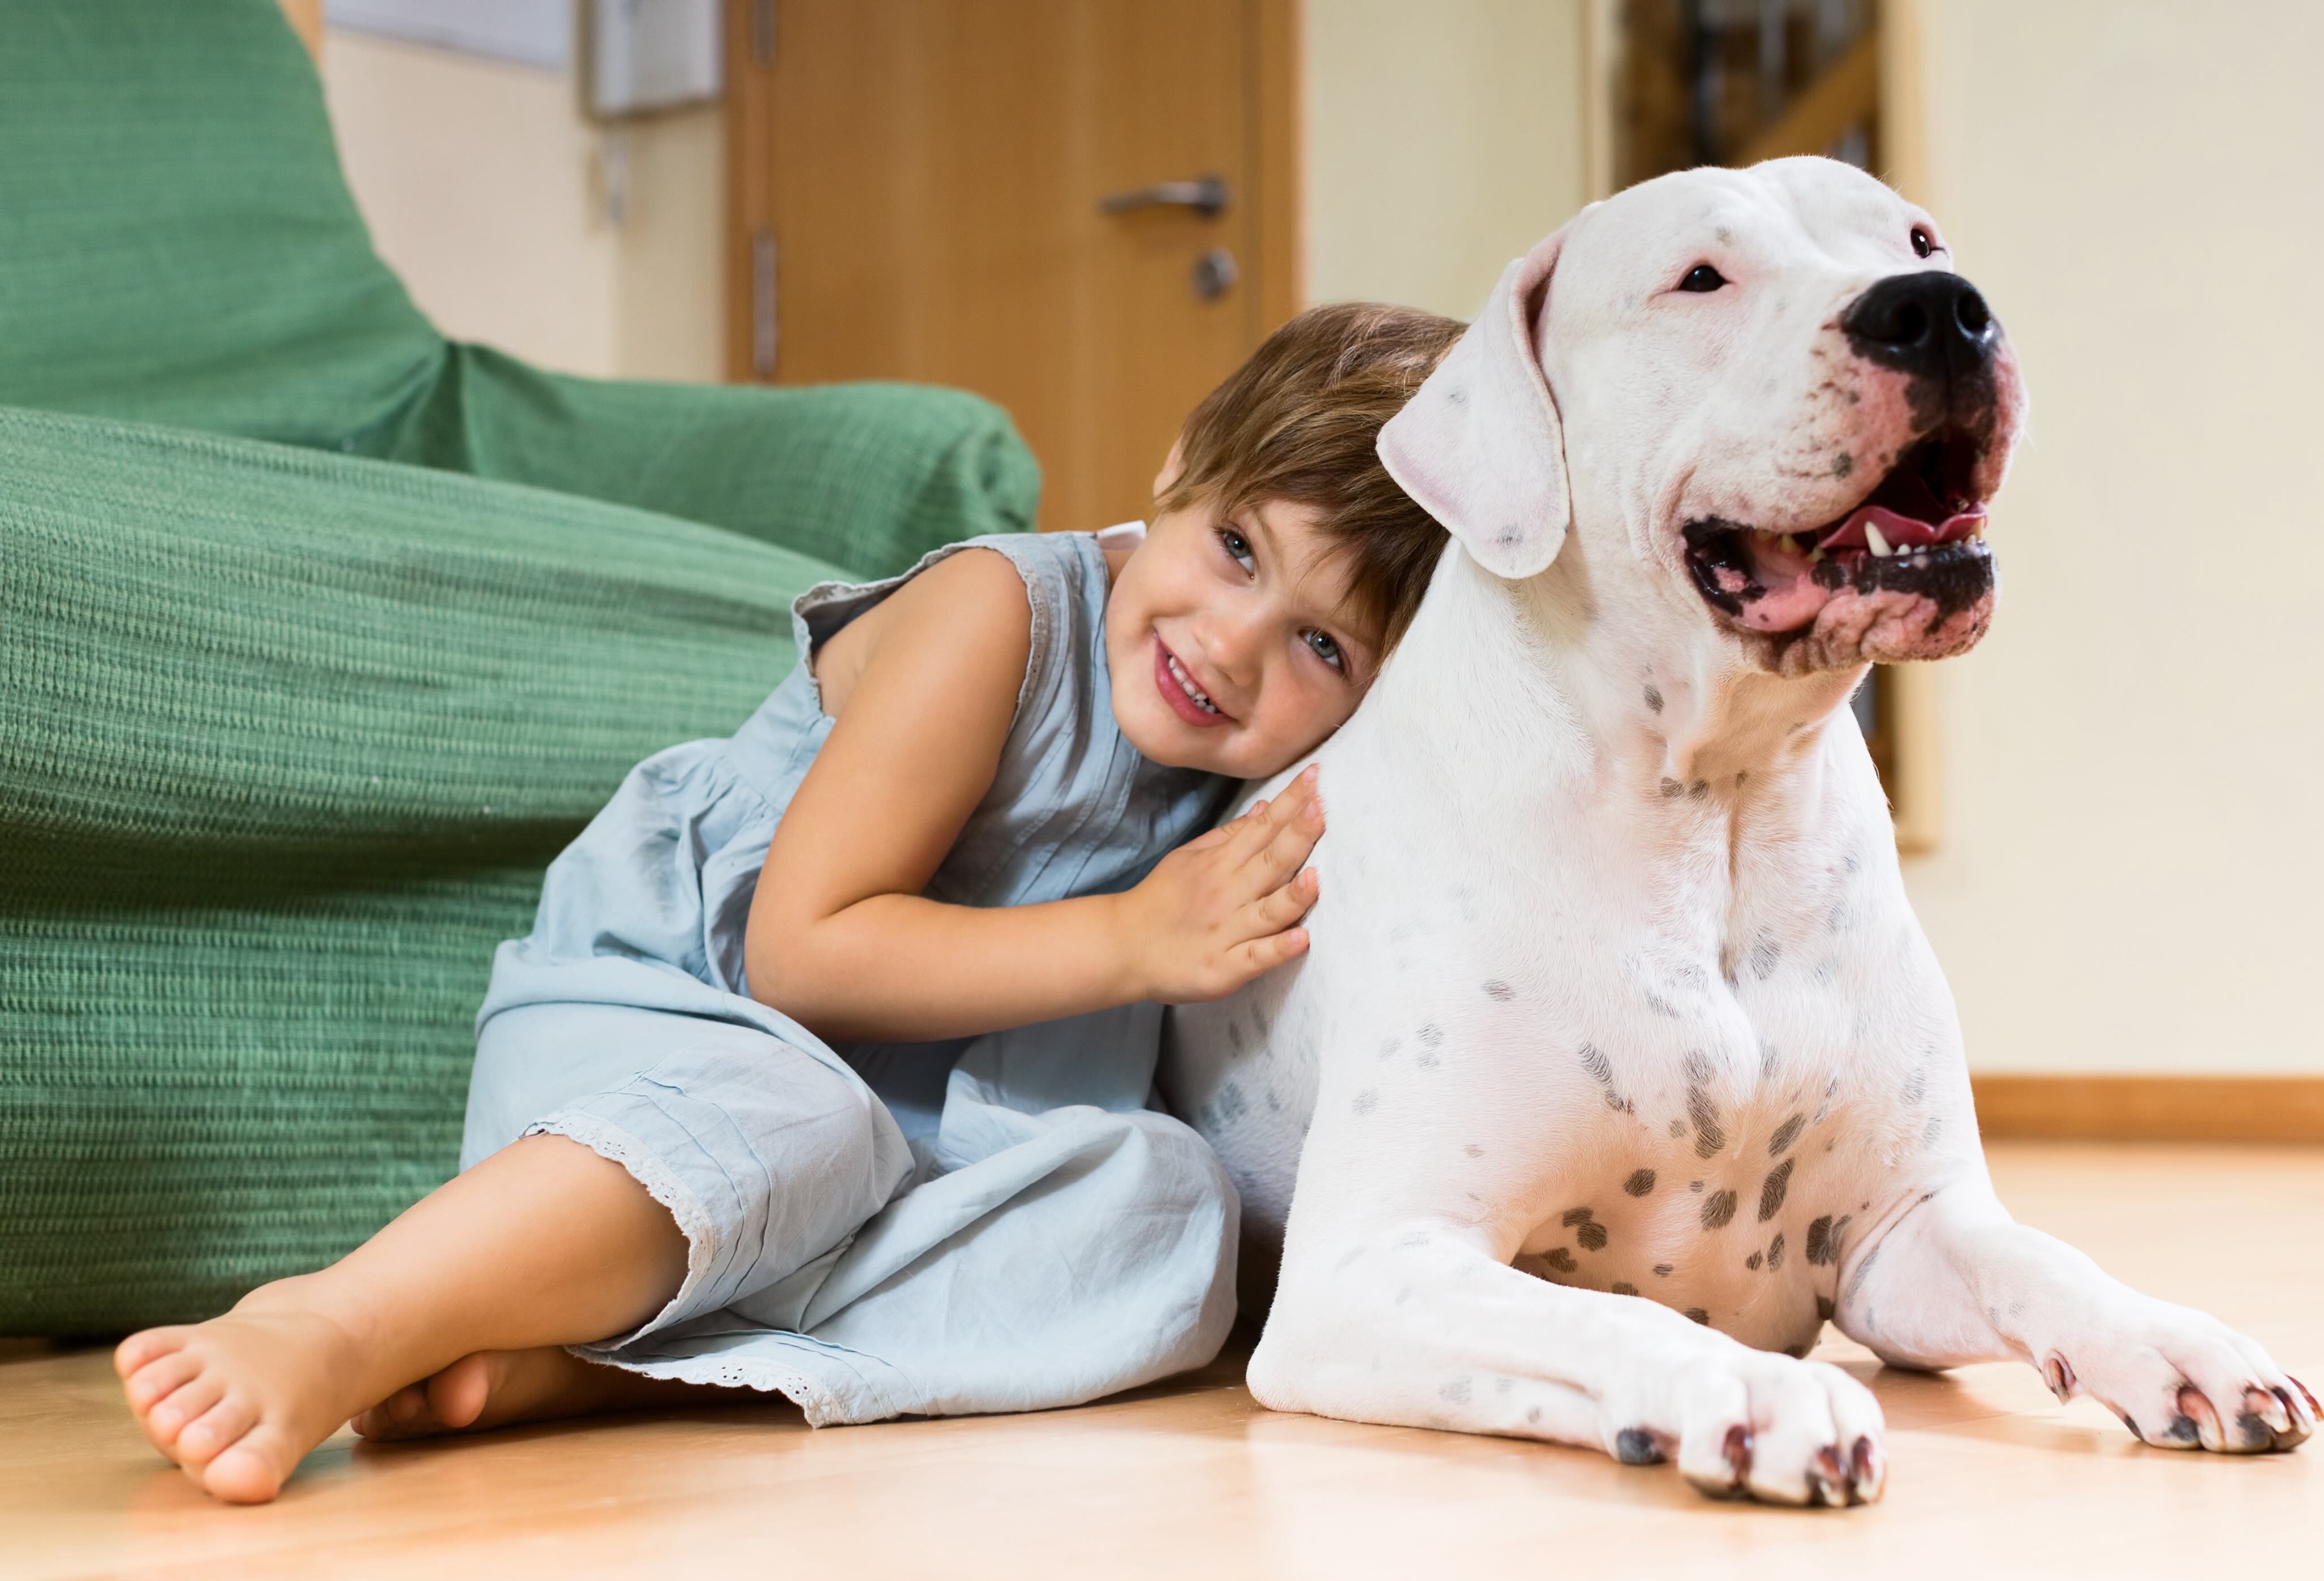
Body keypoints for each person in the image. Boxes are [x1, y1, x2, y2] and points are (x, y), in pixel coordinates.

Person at [112, 303, 1467, 1505]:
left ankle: (619, 1376)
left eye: (1321, 643)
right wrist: (1128, 940)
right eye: (1236, 548)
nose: (1231, 645)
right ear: (1178, 467)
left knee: (1167, 1213)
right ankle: (340, 1322)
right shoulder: (1002, 613)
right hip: (670, 1042)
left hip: (905, 1143)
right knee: (808, 1116)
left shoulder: (1251, 777)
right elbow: (801, 954)